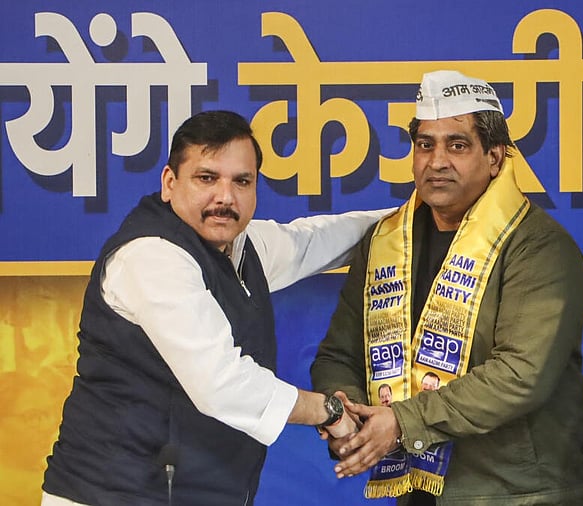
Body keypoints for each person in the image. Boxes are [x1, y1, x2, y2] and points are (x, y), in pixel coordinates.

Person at [41, 110, 389, 505]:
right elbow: (222, 384)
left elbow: (316, 241)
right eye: (207, 178)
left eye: (242, 181)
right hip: (111, 495)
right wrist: (327, 410)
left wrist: (413, 219)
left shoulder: (242, 246)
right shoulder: (151, 256)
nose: (225, 197)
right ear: (170, 183)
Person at [311, 70, 583, 505]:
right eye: (425, 145)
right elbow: (339, 354)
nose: (437, 160)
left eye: (457, 145)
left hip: (518, 494)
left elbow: (519, 375)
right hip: (419, 488)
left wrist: (402, 423)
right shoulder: (387, 241)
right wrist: (348, 414)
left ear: (496, 158)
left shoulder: (538, 247)